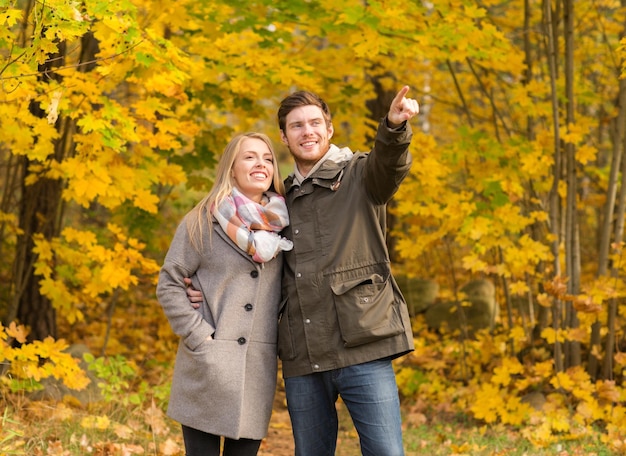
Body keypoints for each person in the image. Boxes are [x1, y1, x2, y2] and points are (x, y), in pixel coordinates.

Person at [188, 86, 419, 456]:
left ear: (329, 129)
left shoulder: (361, 174)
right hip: (303, 353)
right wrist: (200, 284)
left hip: (363, 344)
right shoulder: (278, 200)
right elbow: (247, 257)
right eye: (296, 126)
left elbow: (390, 163)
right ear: (284, 136)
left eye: (314, 123)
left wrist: (393, 126)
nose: (306, 131)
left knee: (385, 452)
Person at [156, 132, 292, 456]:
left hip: (256, 369)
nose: (260, 163)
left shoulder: (286, 225)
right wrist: (199, 335)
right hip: (206, 366)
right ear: (231, 168)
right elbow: (170, 282)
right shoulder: (202, 221)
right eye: (249, 157)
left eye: (267, 158)